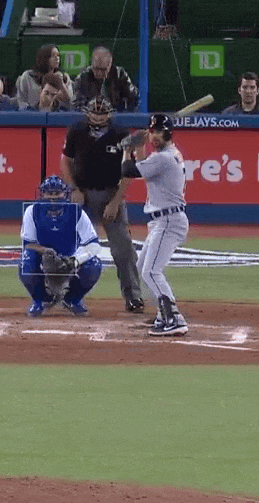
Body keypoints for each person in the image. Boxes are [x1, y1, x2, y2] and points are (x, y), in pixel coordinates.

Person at [59, 97, 144, 313]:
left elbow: (129, 171)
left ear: (109, 114)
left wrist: (116, 201)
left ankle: (133, 297)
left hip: (111, 194)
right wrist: (74, 189)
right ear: (88, 113)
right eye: (95, 113)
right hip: (83, 195)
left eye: (102, 113)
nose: (98, 117)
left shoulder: (120, 133)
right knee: (72, 248)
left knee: (123, 249)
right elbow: (66, 161)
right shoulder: (76, 131)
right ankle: (66, 294)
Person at [121, 113, 189, 337]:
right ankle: (163, 314)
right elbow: (144, 169)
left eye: (160, 131)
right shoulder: (165, 155)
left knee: (151, 271)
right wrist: (138, 148)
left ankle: (174, 318)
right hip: (163, 220)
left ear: (169, 134)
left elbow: (129, 170)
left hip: (169, 220)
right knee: (144, 268)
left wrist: (126, 150)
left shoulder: (164, 158)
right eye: (153, 132)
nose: (155, 136)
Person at [19, 176, 104, 317]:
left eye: (57, 193)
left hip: (70, 261)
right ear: (42, 194)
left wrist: (75, 260)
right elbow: (28, 245)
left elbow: (94, 244)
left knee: (94, 264)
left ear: (65, 194)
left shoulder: (76, 212)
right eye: (49, 193)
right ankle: (40, 300)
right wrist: (46, 251)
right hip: (44, 261)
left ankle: (72, 299)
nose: (54, 197)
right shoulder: (32, 211)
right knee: (26, 261)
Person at [72, 46, 139, 112]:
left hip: (116, 116)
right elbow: (76, 105)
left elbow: (134, 98)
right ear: (92, 64)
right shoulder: (83, 78)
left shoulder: (119, 75)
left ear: (110, 65)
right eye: (96, 69)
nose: (99, 73)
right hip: (90, 117)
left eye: (103, 70)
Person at [15, 43, 74, 110]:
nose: (57, 58)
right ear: (44, 58)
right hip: (31, 113)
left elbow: (70, 102)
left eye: (58, 55)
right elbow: (21, 100)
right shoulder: (28, 76)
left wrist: (61, 83)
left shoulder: (64, 77)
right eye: (52, 56)